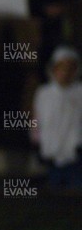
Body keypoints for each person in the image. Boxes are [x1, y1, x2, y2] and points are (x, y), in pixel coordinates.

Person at [32, 46, 82, 193]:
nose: (65, 73)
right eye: (61, 68)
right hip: (51, 154)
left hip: (75, 155)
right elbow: (37, 120)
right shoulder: (44, 93)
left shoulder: (79, 92)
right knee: (54, 195)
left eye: (70, 68)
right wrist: (37, 142)